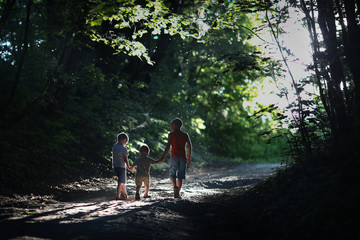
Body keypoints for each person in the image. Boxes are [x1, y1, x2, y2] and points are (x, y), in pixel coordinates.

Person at [159, 118, 192, 198]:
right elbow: (189, 145)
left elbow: (167, 146)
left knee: (172, 173)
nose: (171, 127)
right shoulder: (185, 135)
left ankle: (175, 187)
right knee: (180, 175)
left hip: (174, 157)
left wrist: (163, 156)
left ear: (176, 125)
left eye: (172, 125)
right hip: (183, 157)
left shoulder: (171, 135)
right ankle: (177, 192)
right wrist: (189, 156)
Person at [112, 132, 132, 200]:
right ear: (124, 139)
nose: (126, 142)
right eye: (126, 141)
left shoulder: (115, 146)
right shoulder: (123, 148)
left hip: (115, 165)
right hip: (122, 166)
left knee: (122, 180)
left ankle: (125, 194)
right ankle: (118, 196)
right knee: (121, 181)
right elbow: (125, 159)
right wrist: (129, 166)